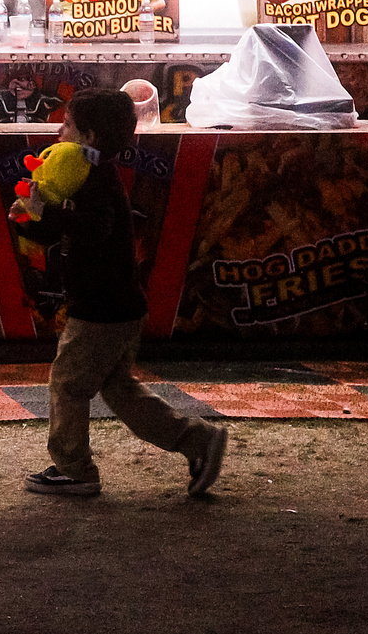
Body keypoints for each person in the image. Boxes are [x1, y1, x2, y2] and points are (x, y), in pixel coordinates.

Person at [15, 88, 229, 498]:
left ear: (90, 138)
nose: (59, 133)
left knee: (68, 384)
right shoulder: (87, 177)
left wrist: (48, 213)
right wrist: (29, 219)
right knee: (119, 389)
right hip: (118, 307)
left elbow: (93, 229)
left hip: (101, 309)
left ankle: (74, 469)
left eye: (68, 126)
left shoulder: (96, 181)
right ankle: (197, 439)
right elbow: (64, 230)